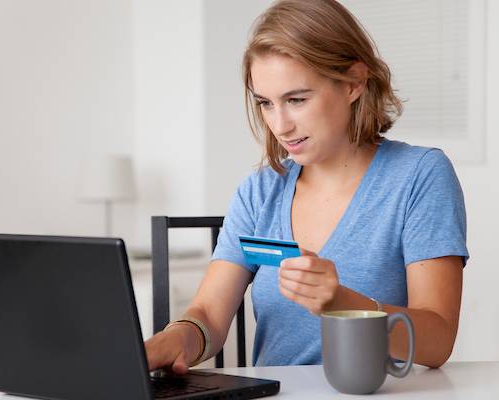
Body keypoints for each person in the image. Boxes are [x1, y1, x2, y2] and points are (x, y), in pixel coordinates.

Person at [145, 0, 468, 373]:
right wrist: (176, 337)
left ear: (354, 83)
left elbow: (438, 340)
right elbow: (209, 317)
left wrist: (342, 303)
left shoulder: (419, 176)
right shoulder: (260, 192)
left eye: (296, 100)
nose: (279, 125)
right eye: (266, 103)